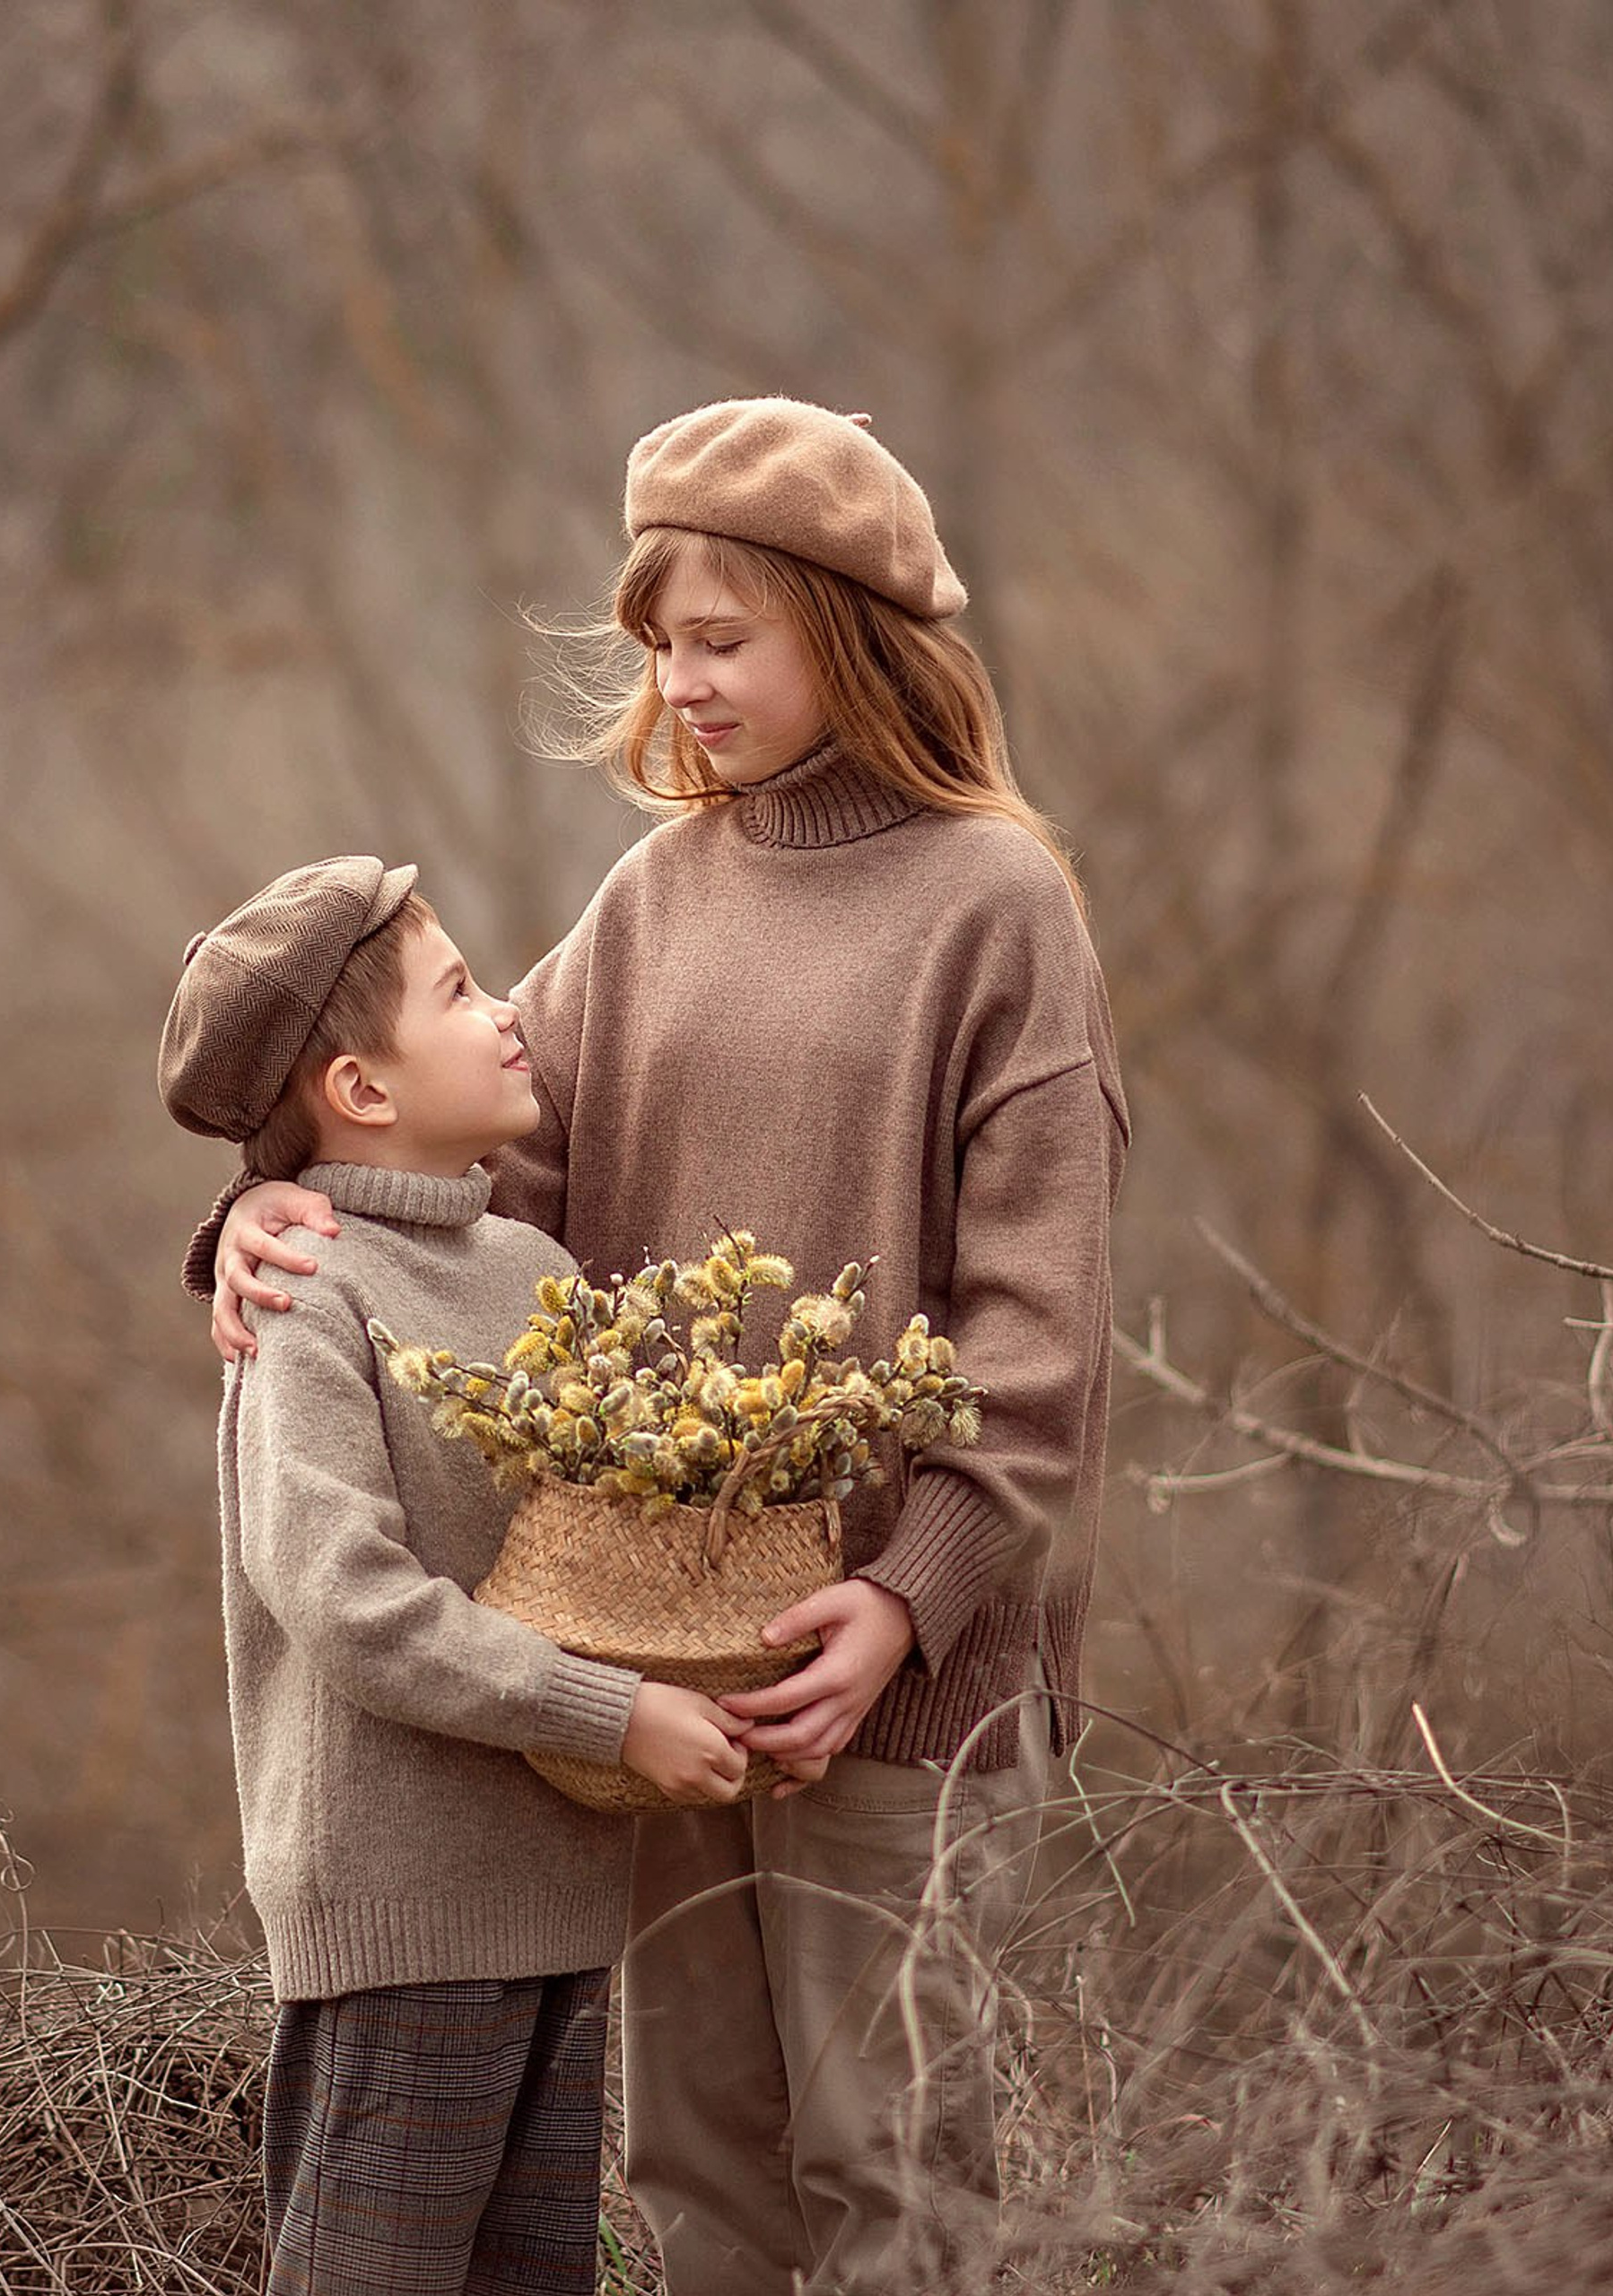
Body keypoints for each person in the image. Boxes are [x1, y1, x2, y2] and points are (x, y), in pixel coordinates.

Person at [187, 400, 1129, 2294]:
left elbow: (1042, 1324)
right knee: (701, 2159)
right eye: (656, 643)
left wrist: (906, 1598)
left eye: (720, 638)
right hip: (656, 1661)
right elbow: (435, 1136)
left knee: (895, 2165)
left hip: (893, 1675)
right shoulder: (653, 897)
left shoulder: (994, 905)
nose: (677, 683)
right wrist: (251, 1212)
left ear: (846, 632)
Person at [157, 855, 753, 2296]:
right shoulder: (310, 1291)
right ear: (361, 1089)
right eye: (461, 994)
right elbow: (349, 1604)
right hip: (399, 1921)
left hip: (555, 1895)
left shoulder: (528, 1265)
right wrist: (616, 1716)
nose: (508, 1016)